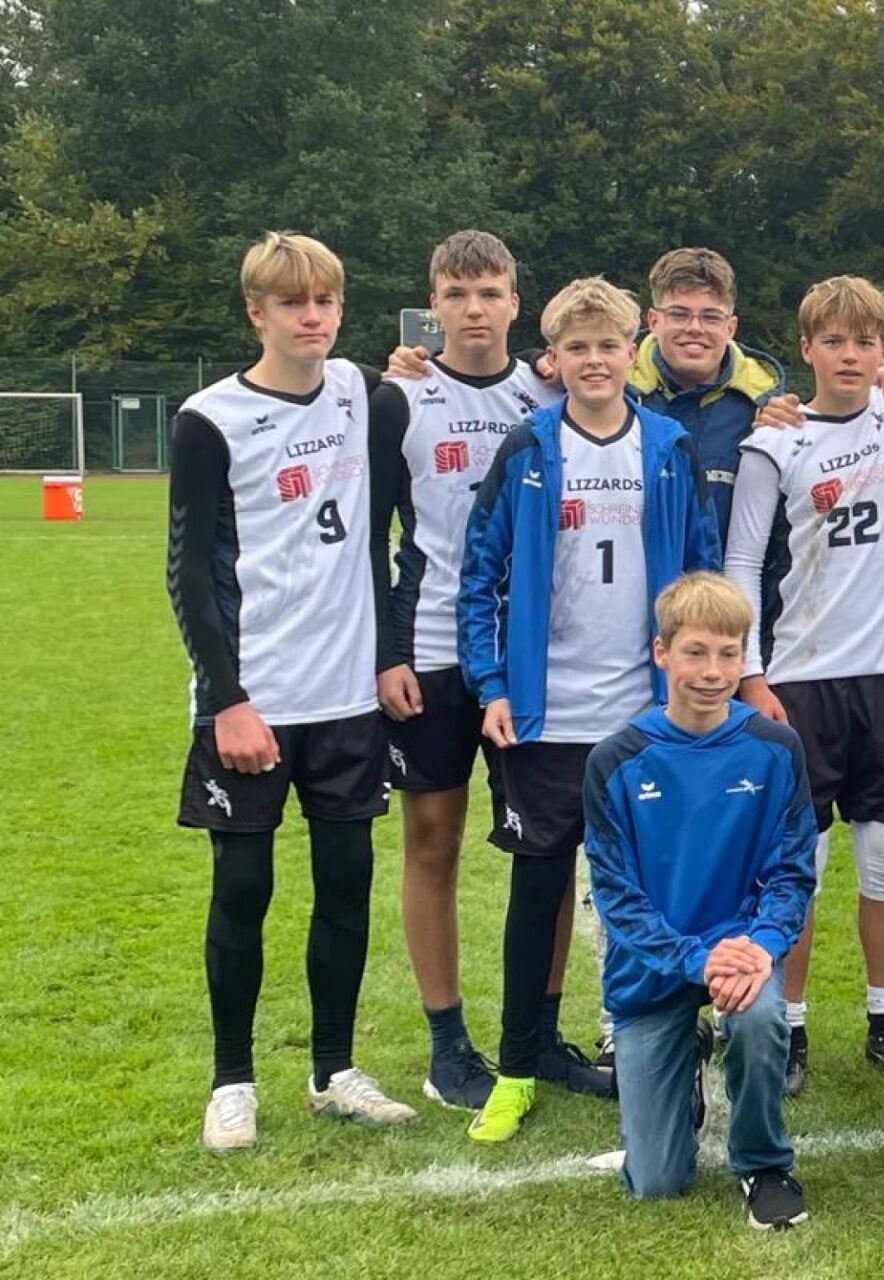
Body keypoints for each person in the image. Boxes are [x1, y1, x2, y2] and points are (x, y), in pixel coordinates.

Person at [456, 276, 723, 1141]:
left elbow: (703, 573)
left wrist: (698, 680)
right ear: (556, 358)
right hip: (549, 716)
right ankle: (518, 1067)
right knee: (539, 891)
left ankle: (656, 1053)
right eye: (578, 348)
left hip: (646, 716)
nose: (595, 361)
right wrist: (493, 685)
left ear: (631, 351)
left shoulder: (669, 446)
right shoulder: (529, 447)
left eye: (609, 346)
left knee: (653, 891)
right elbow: (479, 576)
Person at [172, 231, 416, 1150]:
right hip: (254, 702)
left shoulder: (360, 391)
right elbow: (188, 574)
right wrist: (226, 700)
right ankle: (232, 1080)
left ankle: (334, 1070)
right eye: (291, 303)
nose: (311, 317)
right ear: (257, 312)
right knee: (243, 888)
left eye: (325, 301)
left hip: (346, 698)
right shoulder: (210, 419)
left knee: (347, 881)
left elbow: (443, 396)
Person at [724, 276, 884, 1092]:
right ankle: (789, 1027)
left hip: (883, 675)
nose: (850, 355)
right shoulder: (773, 442)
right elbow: (742, 561)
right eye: (834, 341)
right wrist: (751, 674)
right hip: (800, 680)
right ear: (807, 348)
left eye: (866, 342)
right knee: (801, 867)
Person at [370, 230, 563, 1112]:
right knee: (433, 842)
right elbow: (370, 538)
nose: (474, 309)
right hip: (434, 652)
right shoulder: (400, 397)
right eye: (456, 293)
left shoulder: (549, 390)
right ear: (433, 306)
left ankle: (540, 1036)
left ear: (516, 302)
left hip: (533, 658)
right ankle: (447, 1045)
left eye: (489, 292)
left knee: (547, 847)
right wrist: (388, 653)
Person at [582, 573, 816, 1228]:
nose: (713, 672)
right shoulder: (615, 761)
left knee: (759, 1017)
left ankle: (763, 1163)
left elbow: (792, 873)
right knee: (656, 1182)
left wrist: (760, 948)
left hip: (741, 955)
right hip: (655, 970)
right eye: (695, 653)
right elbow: (618, 899)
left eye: (728, 654)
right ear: (662, 653)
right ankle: (684, 1067)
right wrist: (697, 961)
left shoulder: (775, 749)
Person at [626, 247, 787, 540]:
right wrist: (541, 363)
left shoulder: (767, 410)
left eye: (711, 317)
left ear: (730, 327)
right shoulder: (615, 396)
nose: (695, 328)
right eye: (679, 314)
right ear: (653, 321)